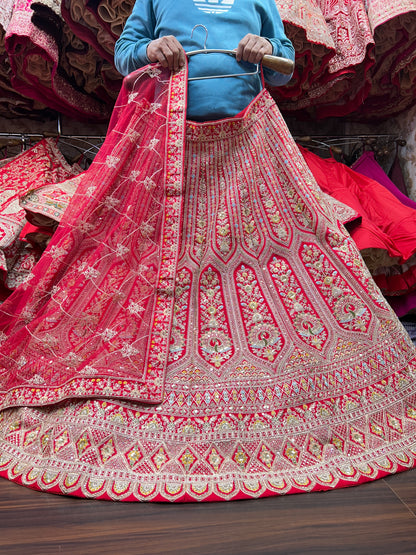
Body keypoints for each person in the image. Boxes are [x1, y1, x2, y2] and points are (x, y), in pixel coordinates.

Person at [0, 1, 415, 503]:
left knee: (266, 258)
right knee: (165, 262)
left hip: (246, 149)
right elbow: (127, 56)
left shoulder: (257, 1)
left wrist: (267, 51)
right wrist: (153, 50)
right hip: (172, 148)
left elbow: (281, 70)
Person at [114, 0, 295, 120]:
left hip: (247, 131)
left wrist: (268, 47)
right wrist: (150, 49)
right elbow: (123, 54)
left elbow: (284, 71)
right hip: (170, 131)